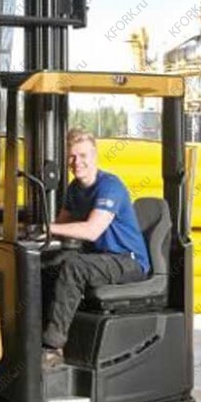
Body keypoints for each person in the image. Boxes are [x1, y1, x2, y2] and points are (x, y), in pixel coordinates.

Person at [41, 128, 150, 367]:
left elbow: (91, 230)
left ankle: (52, 348)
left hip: (128, 260)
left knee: (74, 267)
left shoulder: (110, 186)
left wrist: (48, 227)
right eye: (72, 156)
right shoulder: (74, 189)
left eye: (82, 155)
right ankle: (34, 335)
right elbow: (60, 227)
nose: (76, 162)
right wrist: (29, 232)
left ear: (95, 156)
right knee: (47, 264)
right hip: (100, 258)